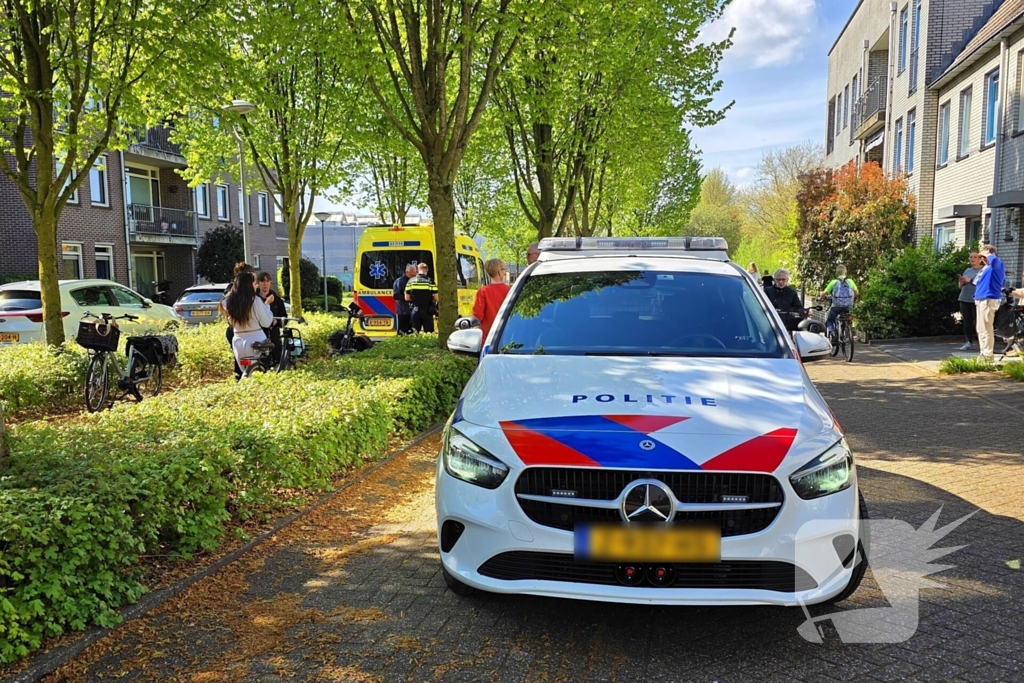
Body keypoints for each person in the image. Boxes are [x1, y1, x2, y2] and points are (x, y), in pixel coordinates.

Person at [222, 271, 274, 376]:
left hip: (238, 341)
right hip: (255, 339)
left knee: (245, 371)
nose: (256, 287)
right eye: (254, 284)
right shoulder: (255, 301)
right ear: (249, 285)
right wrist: (267, 305)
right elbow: (267, 322)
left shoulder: (227, 302)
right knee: (257, 371)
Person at [974, 244, 1006, 362]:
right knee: (980, 328)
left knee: (986, 328)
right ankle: (983, 352)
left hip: (988, 299)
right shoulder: (987, 268)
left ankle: (987, 355)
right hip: (981, 298)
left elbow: (993, 259)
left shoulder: (997, 264)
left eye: (982, 256)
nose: (981, 258)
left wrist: (987, 253)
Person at [224, 262, 256, 380]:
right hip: (238, 330)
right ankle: (241, 379)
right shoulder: (233, 290)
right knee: (241, 360)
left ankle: (242, 379)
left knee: (243, 359)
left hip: (240, 330)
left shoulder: (249, 289)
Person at [472, 259, 512, 340]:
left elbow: (477, 315)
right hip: (506, 332)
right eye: (504, 269)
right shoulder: (510, 290)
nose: (504, 272)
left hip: (487, 335)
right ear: (499, 272)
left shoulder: (483, 291)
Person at [256, 271, 287, 365]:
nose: (265, 284)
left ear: (270, 283)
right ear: (258, 283)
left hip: (274, 334)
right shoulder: (254, 299)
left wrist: (276, 322)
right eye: (262, 281)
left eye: (267, 281)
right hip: (259, 333)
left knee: (277, 358)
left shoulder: (277, 300)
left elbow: (284, 317)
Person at [821, 265, 858, 338]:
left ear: (836, 274)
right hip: (848, 306)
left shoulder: (833, 282)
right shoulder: (850, 281)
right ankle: (845, 330)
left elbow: (824, 293)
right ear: (846, 273)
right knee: (847, 317)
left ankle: (833, 333)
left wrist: (821, 298)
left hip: (836, 307)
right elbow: (857, 292)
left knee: (830, 320)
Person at [405, 262, 438, 333]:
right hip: (427, 310)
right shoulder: (430, 281)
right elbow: (436, 298)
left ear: (417, 270)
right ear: (427, 270)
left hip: (415, 309)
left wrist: (414, 299)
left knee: (415, 333)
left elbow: (406, 298)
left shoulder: (411, 281)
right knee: (429, 333)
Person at [958, 252, 981, 351]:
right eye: (971, 257)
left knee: (979, 321)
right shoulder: (967, 270)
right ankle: (968, 342)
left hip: (977, 299)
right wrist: (961, 282)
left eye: (975, 257)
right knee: (967, 321)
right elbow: (960, 287)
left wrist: (970, 280)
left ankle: (981, 342)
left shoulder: (983, 270)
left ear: (980, 259)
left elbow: (982, 283)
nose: (972, 259)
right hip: (964, 298)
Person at [393, 264, 417, 335]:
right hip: (403, 310)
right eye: (412, 275)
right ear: (407, 272)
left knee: (411, 331)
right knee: (402, 331)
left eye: (414, 274)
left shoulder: (413, 280)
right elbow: (396, 296)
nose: (413, 276)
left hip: (412, 310)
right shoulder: (400, 281)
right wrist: (409, 298)